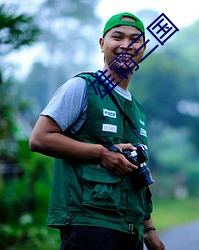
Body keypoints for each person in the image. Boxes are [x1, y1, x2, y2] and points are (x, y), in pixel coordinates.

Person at [29, 12, 165, 250]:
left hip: (130, 229)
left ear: (142, 49)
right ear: (102, 44)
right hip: (89, 225)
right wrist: (102, 153)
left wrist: (149, 228)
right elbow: (40, 138)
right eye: (118, 37)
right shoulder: (81, 87)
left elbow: (137, 170)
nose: (126, 45)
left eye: (135, 39)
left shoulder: (138, 108)